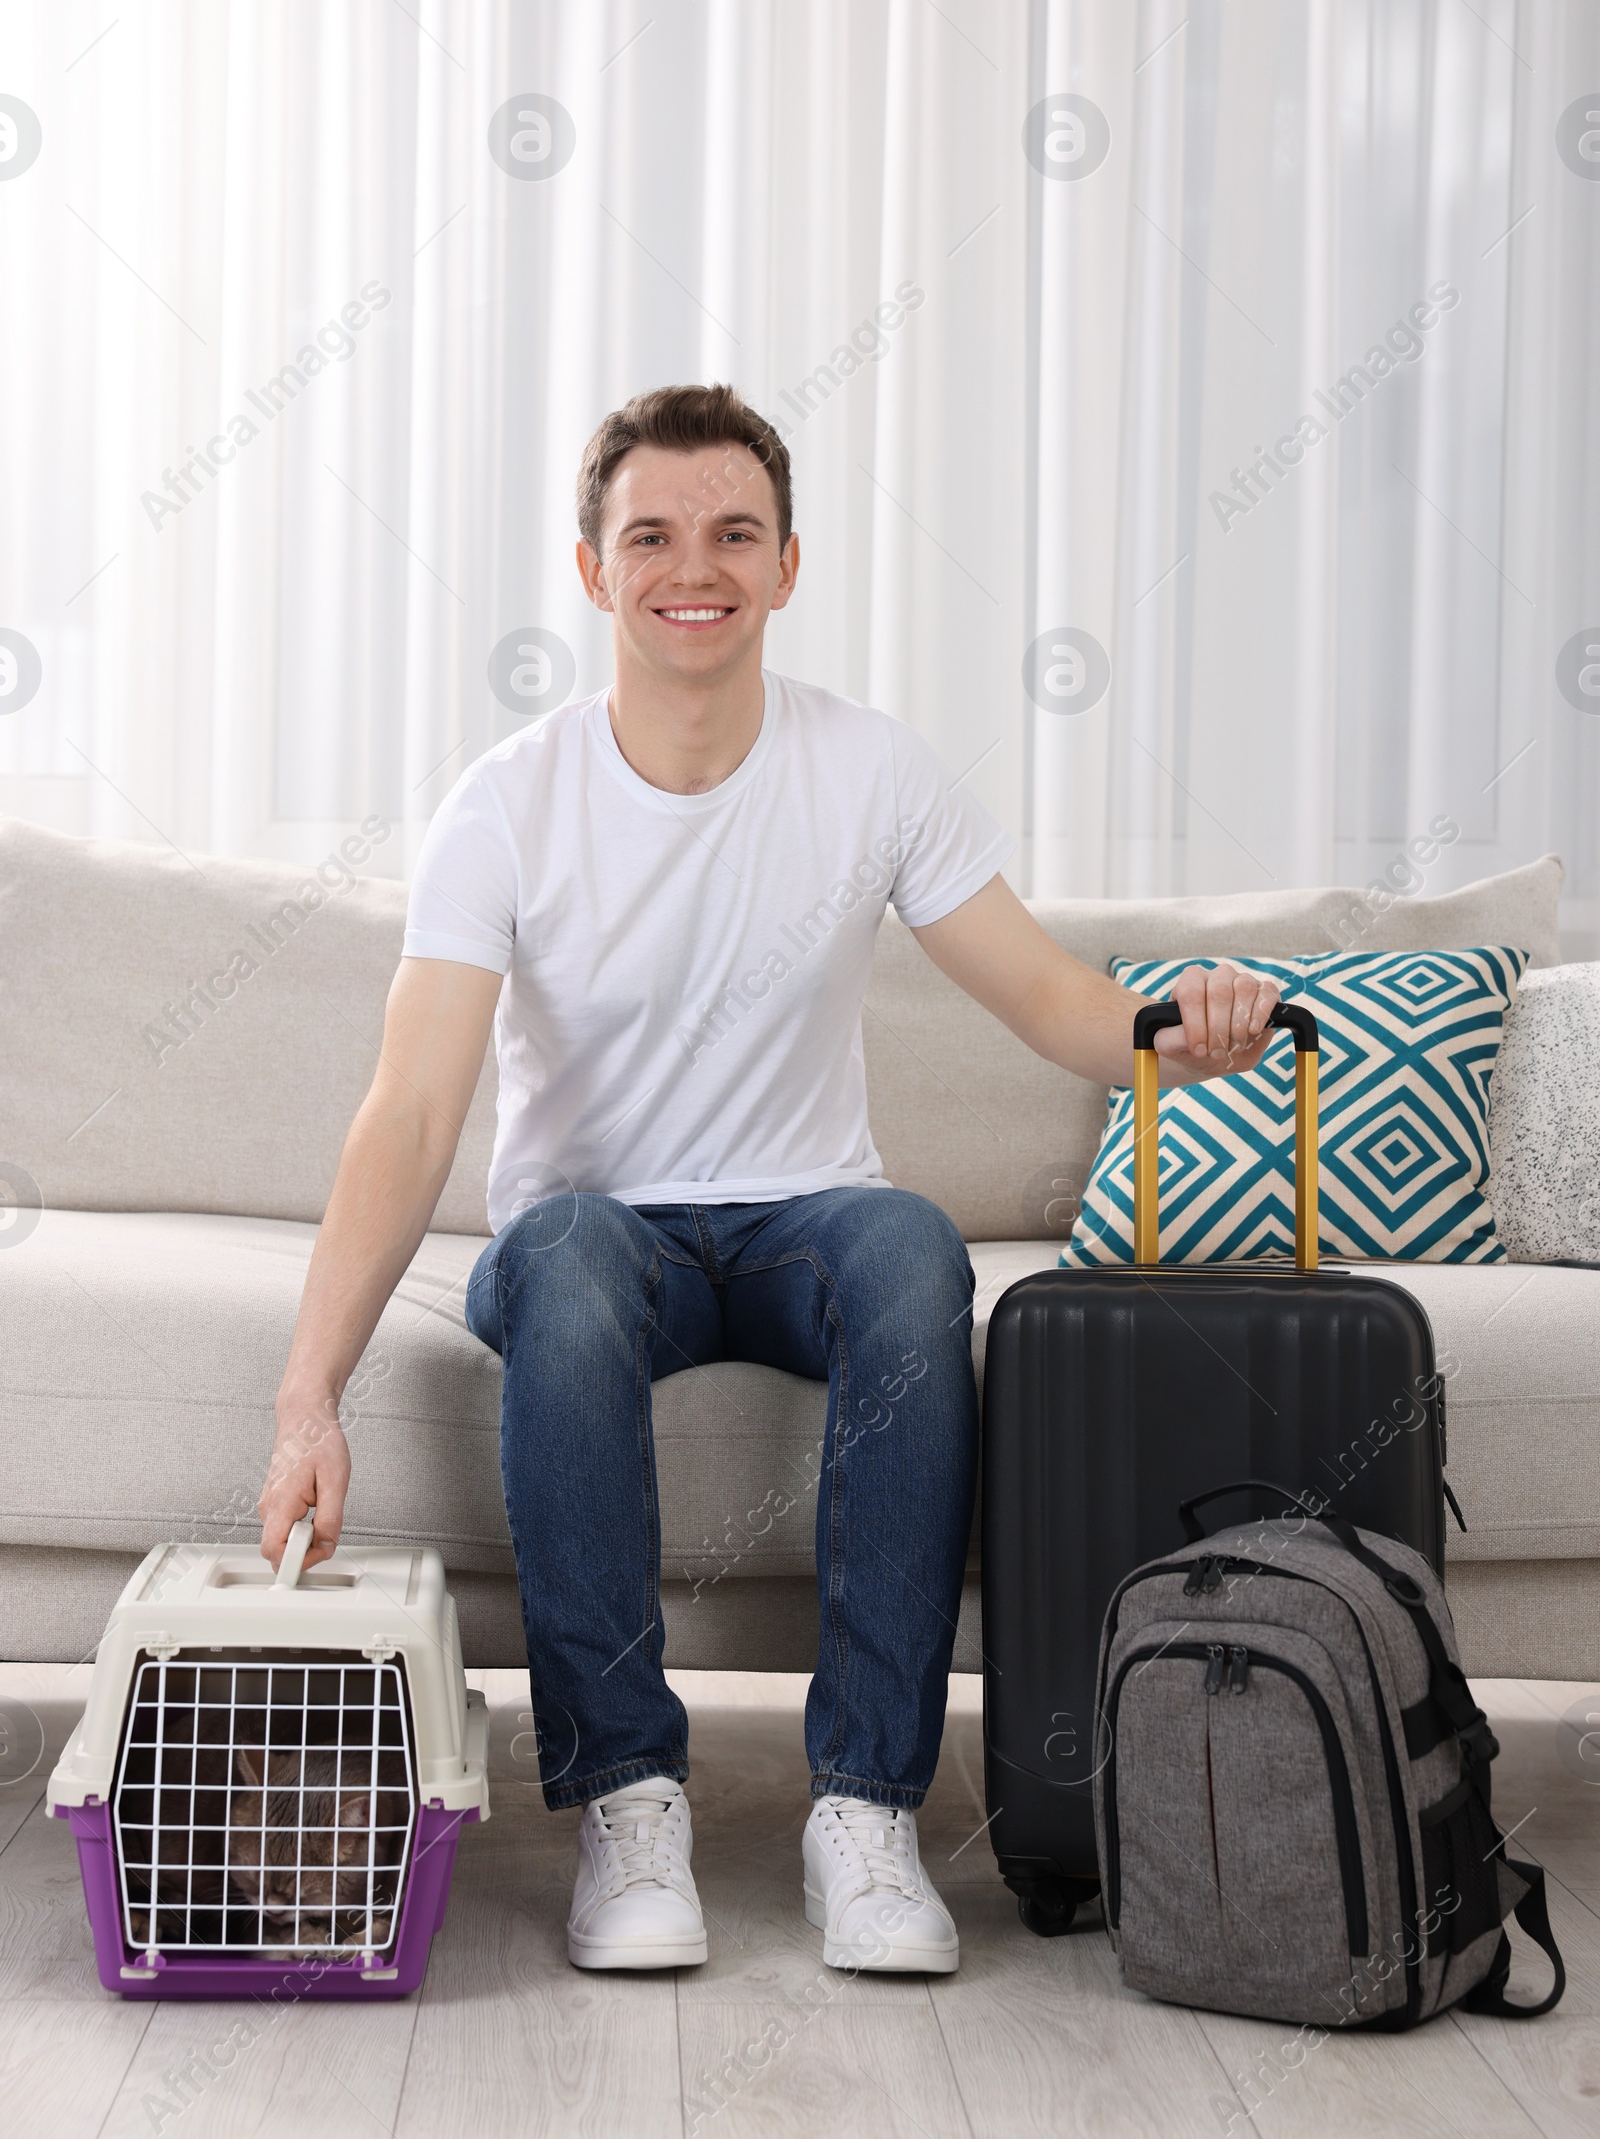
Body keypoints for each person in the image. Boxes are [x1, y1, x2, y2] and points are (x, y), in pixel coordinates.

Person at [257, 383, 1282, 1976]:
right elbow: (408, 1115)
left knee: (910, 1247)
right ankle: (629, 1803)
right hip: (595, 1240)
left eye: (736, 533)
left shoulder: (871, 772)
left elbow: (1055, 1003)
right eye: (652, 534)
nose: (697, 566)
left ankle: (865, 1817)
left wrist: (1180, 1027)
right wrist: (306, 1396)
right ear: (595, 572)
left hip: (803, 1221)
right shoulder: (505, 803)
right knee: (579, 1251)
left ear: (788, 565)